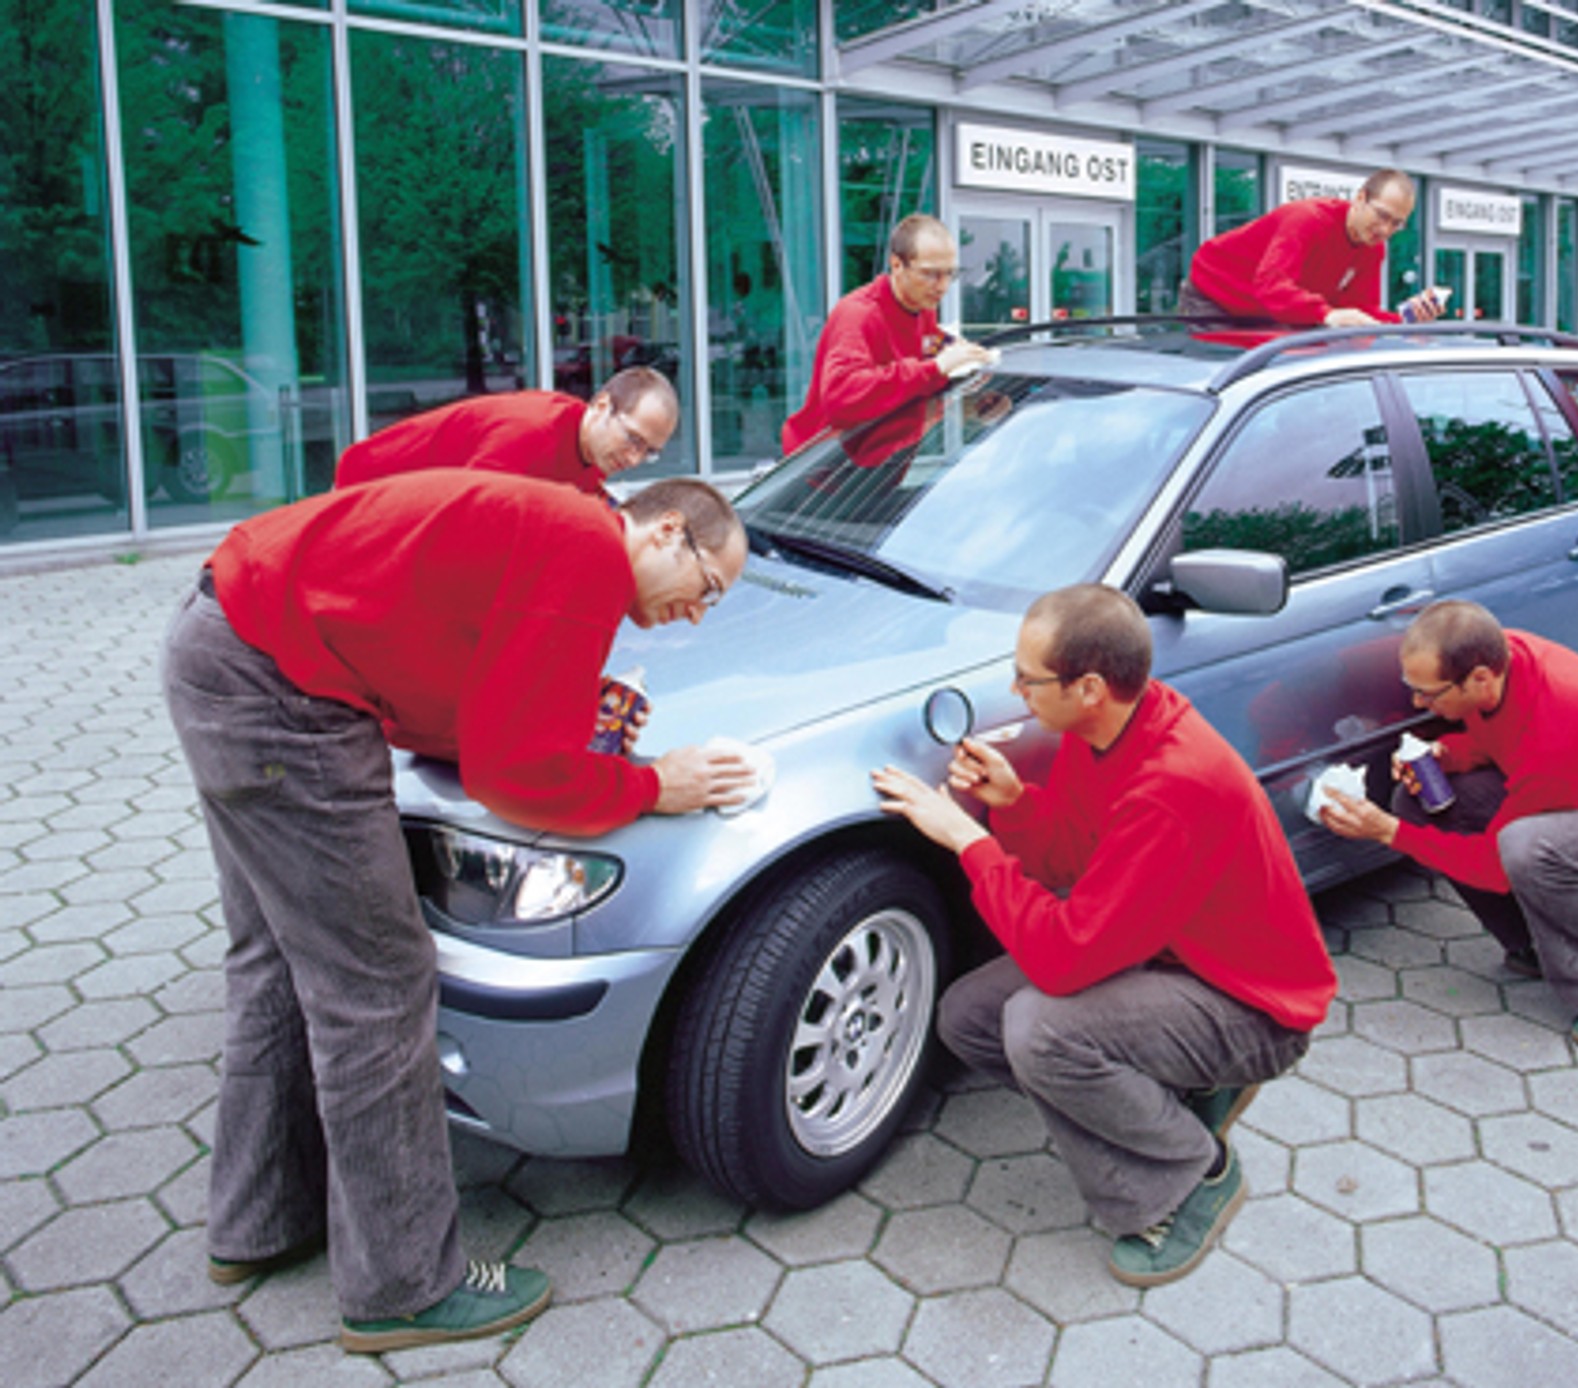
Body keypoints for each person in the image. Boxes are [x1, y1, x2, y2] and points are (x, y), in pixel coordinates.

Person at [160, 472, 753, 1354]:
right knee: (380, 988)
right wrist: (654, 785)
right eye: (706, 591)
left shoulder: (559, 527)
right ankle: (403, 1287)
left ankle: (259, 1225)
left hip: (227, 642)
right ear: (668, 532)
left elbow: (472, 706)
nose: (698, 615)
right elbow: (512, 777)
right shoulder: (587, 556)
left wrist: (558, 724)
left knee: (277, 960)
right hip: (284, 697)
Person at [872, 585, 1336, 1287]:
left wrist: (969, 840)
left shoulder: (1171, 784)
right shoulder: (1107, 731)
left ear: (1089, 686)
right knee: (969, 1019)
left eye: (1028, 679)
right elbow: (1074, 855)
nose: (1015, 690)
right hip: (1173, 956)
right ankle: (1173, 1098)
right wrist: (1012, 804)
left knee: (1041, 1030)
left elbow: (1063, 961)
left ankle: (1189, 1179)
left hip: (1252, 1005)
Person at [1318, 601, 1578, 1052]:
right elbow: (1496, 741)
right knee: (1416, 800)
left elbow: (1495, 866)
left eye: (1430, 694)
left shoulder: (1559, 727)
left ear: (1478, 678)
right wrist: (1446, 756)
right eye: (1412, 689)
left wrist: (1387, 832)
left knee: (1527, 847)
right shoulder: (1500, 661)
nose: (1419, 703)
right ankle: (1535, 943)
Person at [781, 214, 993, 454]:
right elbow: (842, 397)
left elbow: (921, 377)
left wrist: (973, 402)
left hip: (876, 467)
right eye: (930, 274)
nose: (943, 286)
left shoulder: (922, 311)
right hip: (820, 472)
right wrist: (935, 367)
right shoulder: (858, 314)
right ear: (896, 265)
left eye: (950, 274)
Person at [332, 366, 679, 494]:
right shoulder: (529, 434)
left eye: (649, 451)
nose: (634, 458)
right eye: (633, 439)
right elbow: (471, 520)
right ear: (601, 406)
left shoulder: (591, 454)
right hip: (364, 489)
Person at [1179, 168, 1440, 327]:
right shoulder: (1308, 221)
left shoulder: (1373, 248)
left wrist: (1405, 320)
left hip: (1263, 308)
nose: (1385, 230)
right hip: (1214, 294)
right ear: (1360, 198)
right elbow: (1271, 286)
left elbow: (1358, 312)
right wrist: (1325, 314)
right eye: (1381, 216)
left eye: (1396, 223)